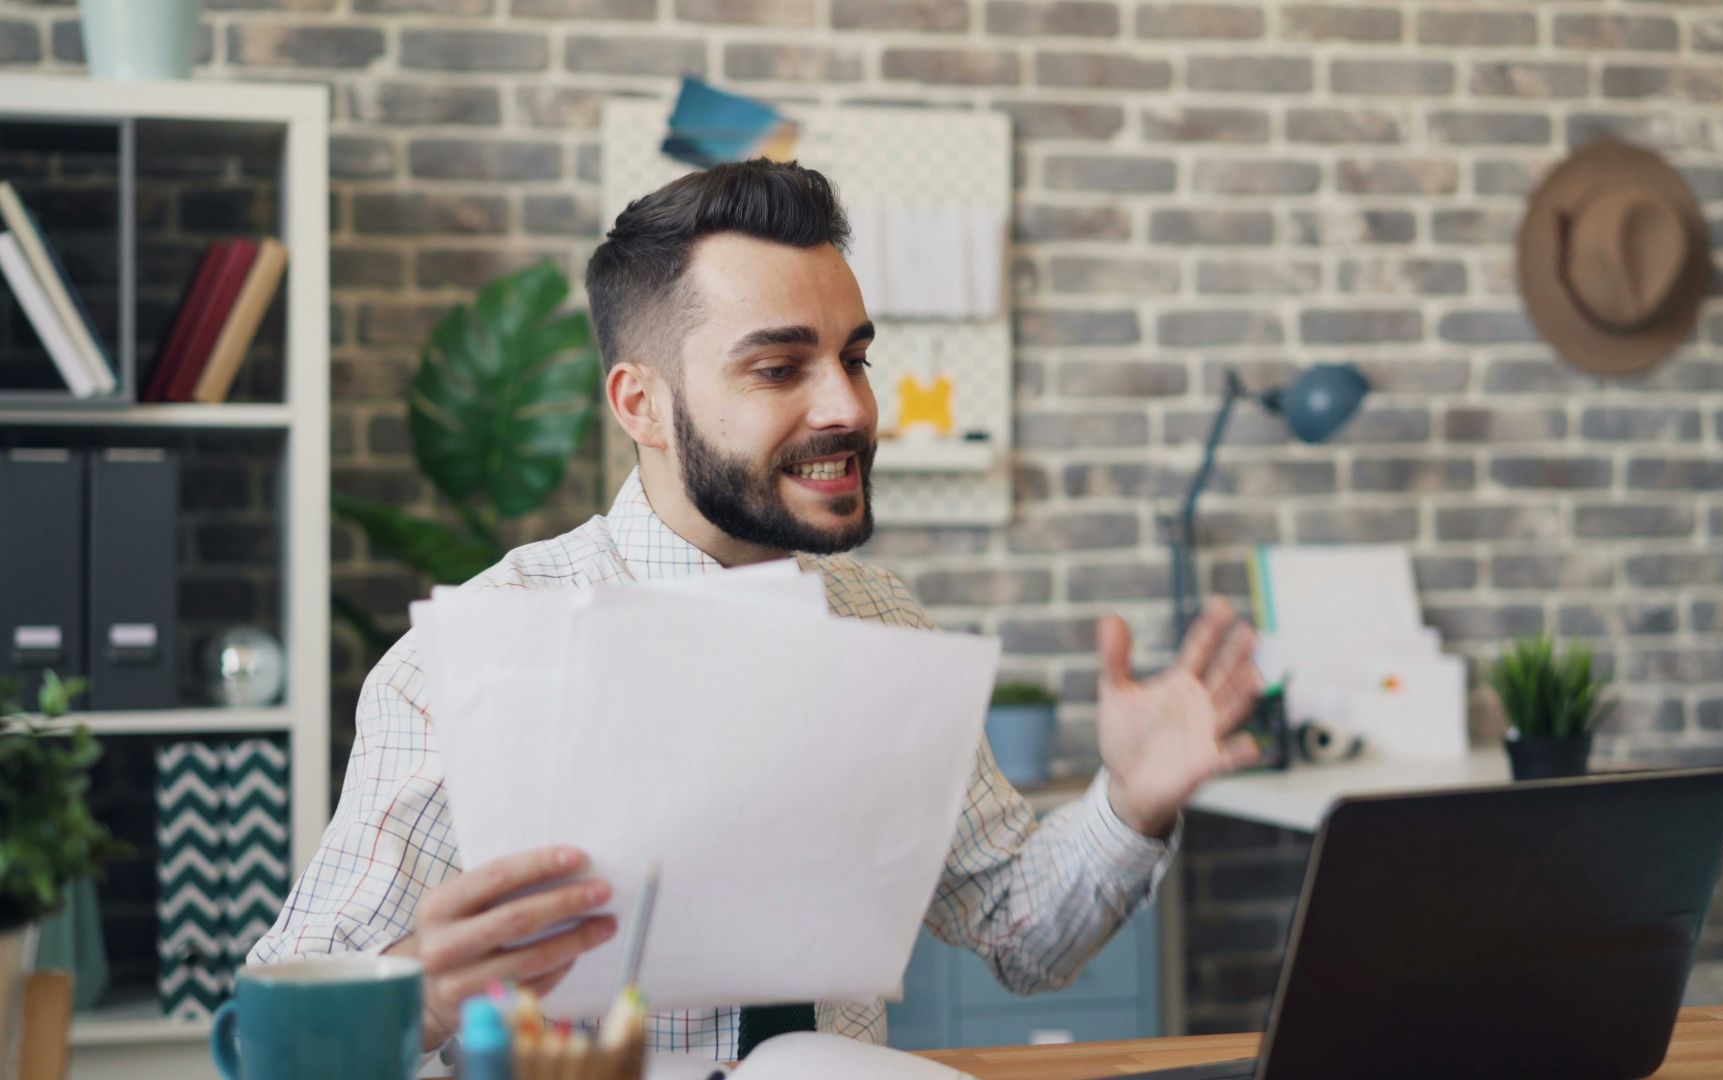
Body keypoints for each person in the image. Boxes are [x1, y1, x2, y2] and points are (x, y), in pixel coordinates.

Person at [251, 159, 1265, 1060]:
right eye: (780, 368)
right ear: (639, 403)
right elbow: (276, 1038)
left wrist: (1132, 802)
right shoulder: (482, 651)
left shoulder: (880, 622)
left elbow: (1017, 932)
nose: (849, 409)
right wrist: (418, 996)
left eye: (854, 357)